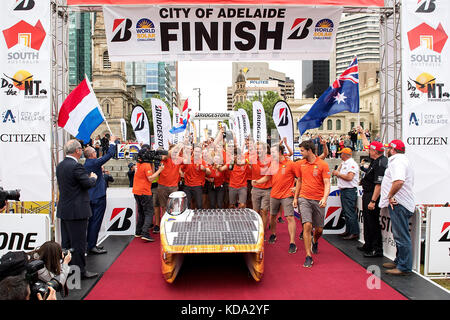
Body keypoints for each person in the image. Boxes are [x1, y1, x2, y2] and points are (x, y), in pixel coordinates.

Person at [56, 139, 98, 279]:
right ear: (77, 151)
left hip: (65, 210)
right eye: (81, 149)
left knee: (67, 243)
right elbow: (86, 184)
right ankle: (80, 271)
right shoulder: (76, 166)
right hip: (77, 211)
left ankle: (67, 270)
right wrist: (93, 178)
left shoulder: (60, 165)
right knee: (79, 243)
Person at [379, 140, 415, 275]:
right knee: (399, 235)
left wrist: (390, 195)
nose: (386, 150)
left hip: (399, 203)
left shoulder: (398, 161)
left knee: (401, 236)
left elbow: (399, 181)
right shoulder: (400, 160)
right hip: (399, 202)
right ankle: (399, 261)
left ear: (393, 150)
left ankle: (404, 267)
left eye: (388, 148)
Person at [293, 140, 331, 268]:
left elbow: (327, 183)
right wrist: (295, 197)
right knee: (307, 225)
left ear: (309, 150)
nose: (300, 152)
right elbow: (299, 181)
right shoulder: (300, 164)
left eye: (302, 150)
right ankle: (308, 255)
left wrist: (325, 198)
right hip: (304, 198)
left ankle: (314, 240)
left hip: (318, 199)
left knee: (319, 229)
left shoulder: (323, 164)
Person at [84, 134, 117, 255]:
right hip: (98, 197)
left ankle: (90, 244)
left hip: (92, 196)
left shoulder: (88, 163)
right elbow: (109, 155)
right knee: (95, 222)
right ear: (92, 154)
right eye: (94, 152)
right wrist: (112, 142)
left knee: (92, 222)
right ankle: (91, 245)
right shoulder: (93, 163)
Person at [358, 141, 387, 257]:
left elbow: (378, 185)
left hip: (372, 195)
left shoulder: (381, 163)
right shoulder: (376, 161)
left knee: (372, 222)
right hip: (368, 193)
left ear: (375, 151)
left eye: (370, 150)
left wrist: (373, 201)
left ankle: (376, 248)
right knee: (367, 221)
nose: (368, 151)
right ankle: (368, 244)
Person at [267, 144, 298, 254]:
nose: (271, 154)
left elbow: (299, 178)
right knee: (272, 216)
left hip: (287, 195)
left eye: (273, 152)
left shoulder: (290, 164)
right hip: (274, 194)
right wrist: (257, 182)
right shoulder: (273, 164)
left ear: (279, 152)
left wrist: (295, 188)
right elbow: (267, 177)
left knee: (290, 217)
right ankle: (273, 234)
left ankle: (292, 242)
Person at [133, 145, 164, 242]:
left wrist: (152, 165)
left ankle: (138, 232)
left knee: (141, 212)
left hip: (136, 191)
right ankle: (145, 233)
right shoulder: (146, 165)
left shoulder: (139, 163)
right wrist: (160, 170)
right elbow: (150, 178)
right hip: (144, 192)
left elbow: (149, 174)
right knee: (149, 212)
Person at [332, 147, 360, 240]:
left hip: (349, 190)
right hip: (345, 190)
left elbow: (349, 177)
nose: (340, 155)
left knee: (349, 212)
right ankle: (349, 230)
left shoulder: (351, 164)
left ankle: (354, 232)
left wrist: (338, 174)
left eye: (342, 154)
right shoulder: (345, 163)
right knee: (346, 212)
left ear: (345, 155)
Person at [156, 144, 182, 232]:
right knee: (163, 207)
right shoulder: (165, 158)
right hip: (162, 186)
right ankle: (164, 226)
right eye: (173, 151)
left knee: (174, 207)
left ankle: (173, 225)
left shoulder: (179, 159)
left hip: (174, 187)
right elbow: (166, 155)